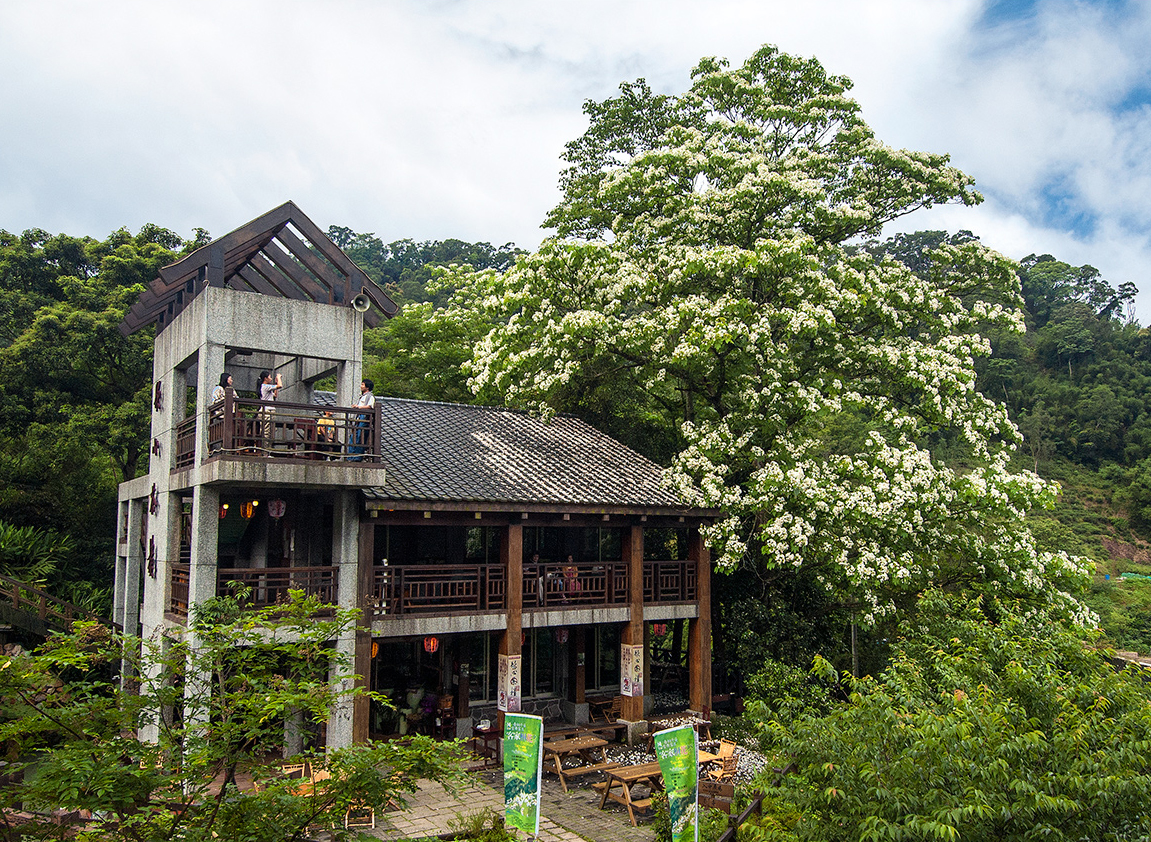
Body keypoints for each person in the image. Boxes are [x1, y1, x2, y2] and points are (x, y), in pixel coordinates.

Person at [348, 378, 375, 461]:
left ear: (367, 387)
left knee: (360, 437)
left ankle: (357, 457)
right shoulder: (362, 397)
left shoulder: (370, 396)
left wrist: (359, 407)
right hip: (359, 417)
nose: (361, 386)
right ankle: (350, 456)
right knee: (354, 437)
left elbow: (370, 406)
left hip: (364, 417)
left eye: (363, 384)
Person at [259, 370, 282, 451]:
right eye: (269, 377)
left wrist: (276, 383)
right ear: (265, 378)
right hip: (266, 411)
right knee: (266, 432)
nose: (271, 378)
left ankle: (268, 450)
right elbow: (280, 386)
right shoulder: (265, 386)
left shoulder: (267, 387)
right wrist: (278, 378)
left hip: (270, 410)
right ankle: (265, 451)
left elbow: (275, 395)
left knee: (271, 432)